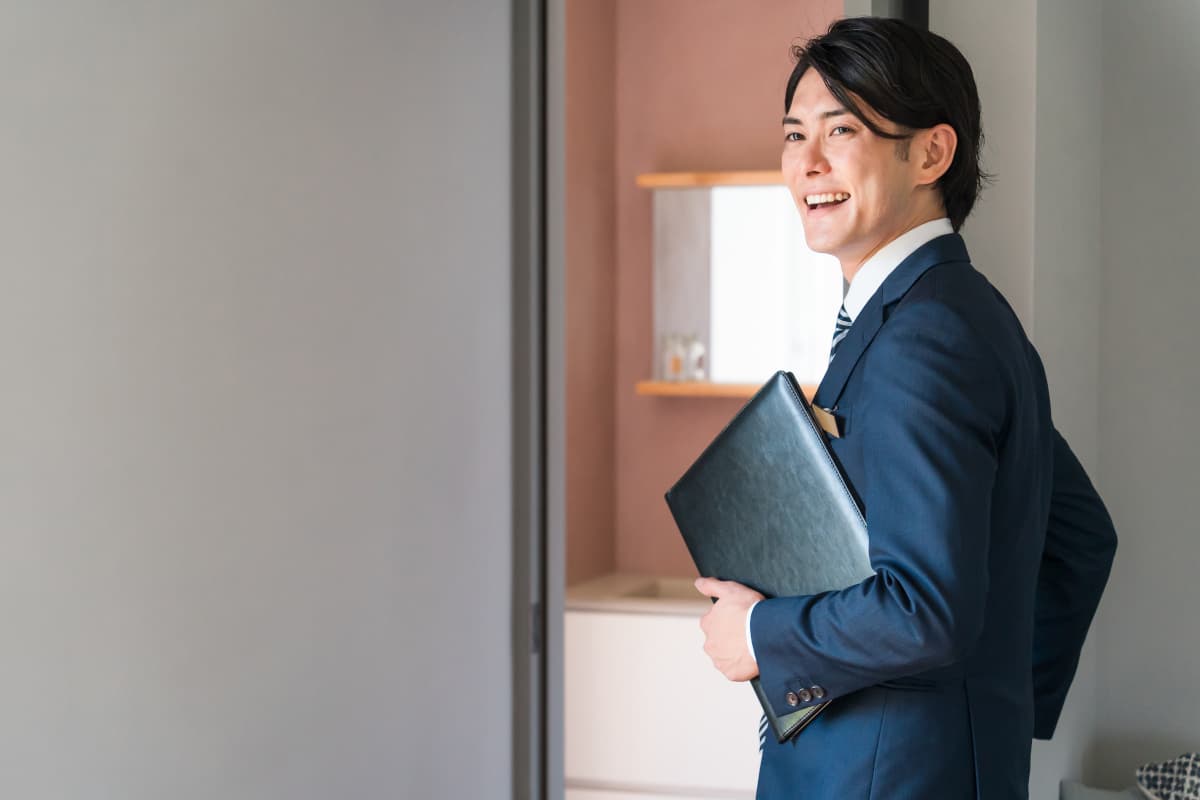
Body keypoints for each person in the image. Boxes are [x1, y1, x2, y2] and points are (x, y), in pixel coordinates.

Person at [693, 17, 1117, 800]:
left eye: (841, 129)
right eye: (793, 135)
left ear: (932, 153)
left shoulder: (923, 339)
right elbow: (1082, 537)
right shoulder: (963, 315)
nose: (807, 164)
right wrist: (983, 706)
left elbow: (924, 608)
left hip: (880, 778)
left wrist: (759, 634)